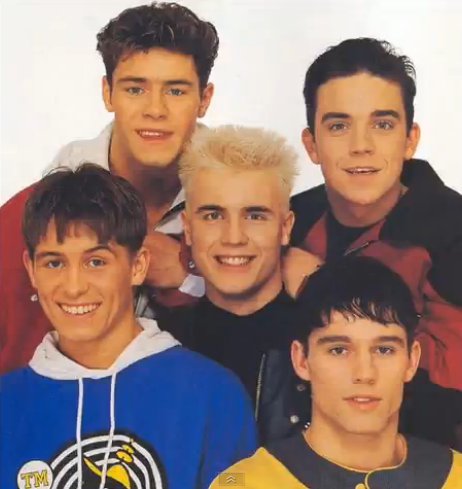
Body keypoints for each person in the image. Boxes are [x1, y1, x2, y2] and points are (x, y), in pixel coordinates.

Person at [0, 164, 256, 489]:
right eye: (54, 263)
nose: (74, 287)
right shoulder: (7, 405)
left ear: (138, 266)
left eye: (96, 262)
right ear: (31, 270)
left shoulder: (211, 394)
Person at [0, 2, 218, 373]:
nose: (155, 110)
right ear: (108, 93)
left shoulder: (238, 210)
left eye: (176, 91)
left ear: (204, 99)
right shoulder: (23, 217)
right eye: (135, 89)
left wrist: (190, 278)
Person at [288, 37, 462, 448]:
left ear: (410, 139)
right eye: (339, 125)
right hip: (299, 454)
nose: (361, 145)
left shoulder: (452, 232)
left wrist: (318, 285)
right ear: (312, 144)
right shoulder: (290, 220)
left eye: (382, 124)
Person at [211, 256, 462, 489]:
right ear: (301, 359)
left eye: (384, 350)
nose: (364, 373)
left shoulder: (456, 476)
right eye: (339, 350)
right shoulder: (244, 483)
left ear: (411, 360)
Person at [160, 125, 320, 443]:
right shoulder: (158, 345)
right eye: (213, 215)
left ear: (285, 227)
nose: (233, 237)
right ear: (188, 229)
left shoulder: (326, 344)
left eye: (255, 216)